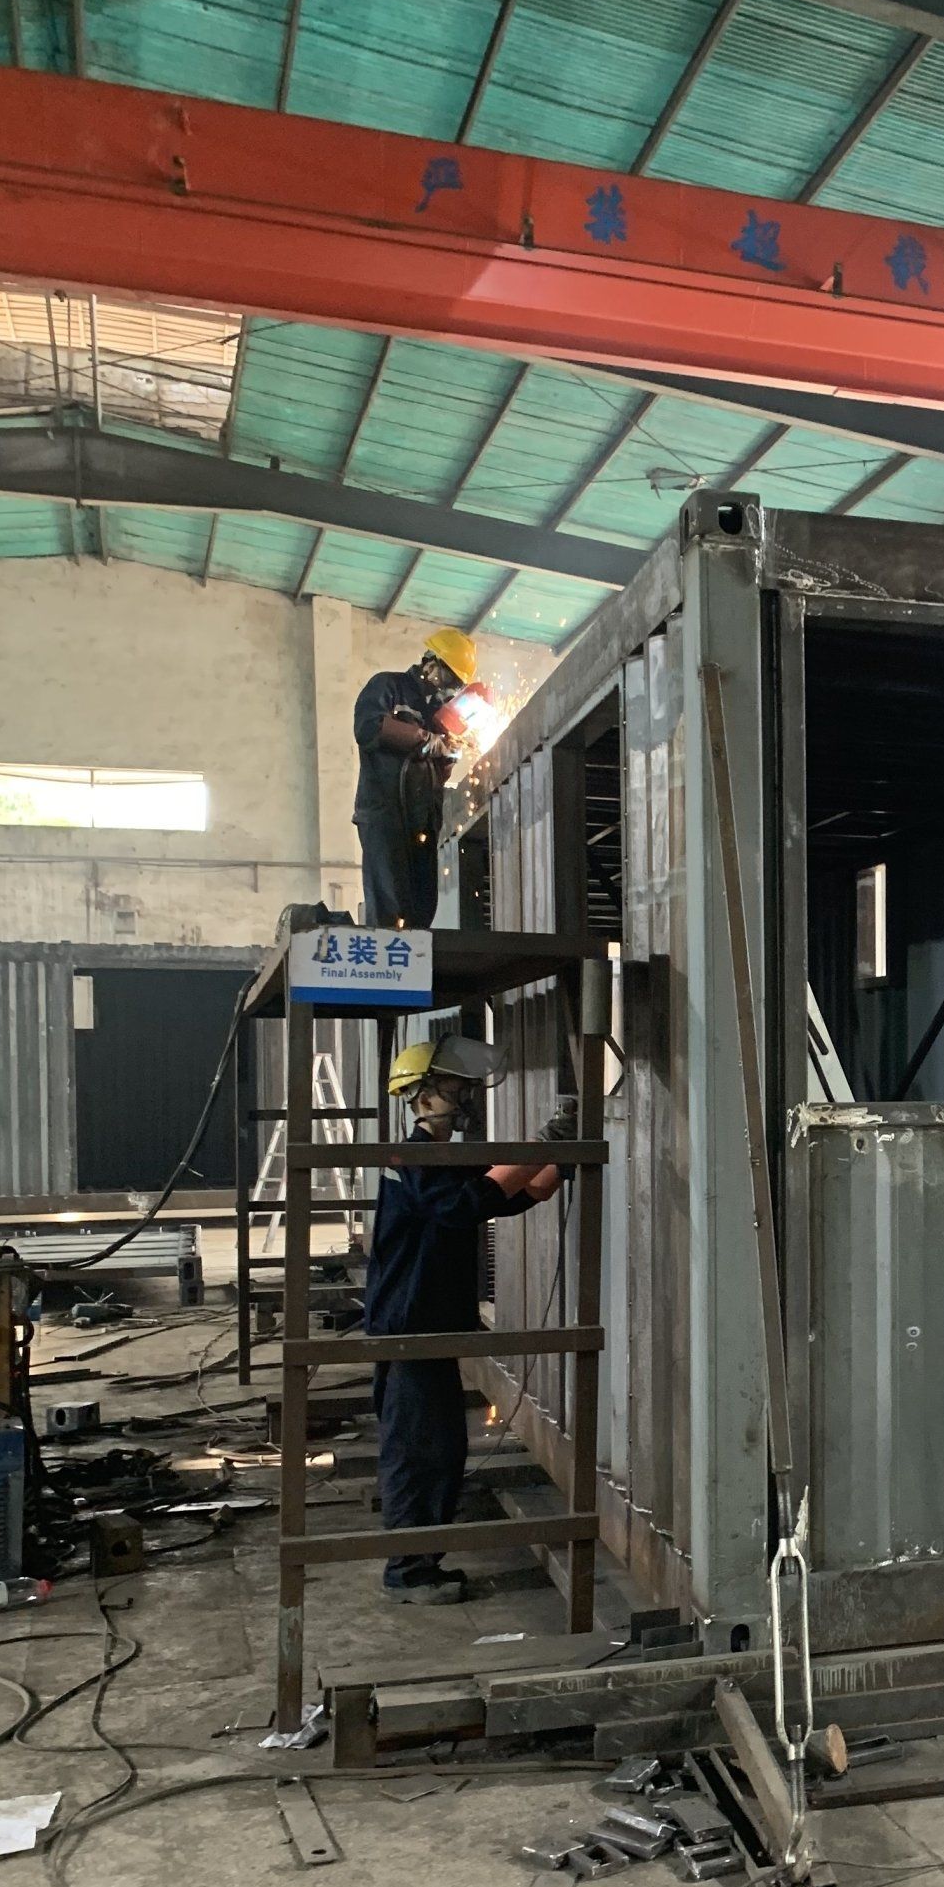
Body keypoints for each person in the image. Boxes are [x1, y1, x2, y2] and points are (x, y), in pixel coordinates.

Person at [367, 1034, 577, 1603]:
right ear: (421, 1096)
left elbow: (512, 1196)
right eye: (454, 1089)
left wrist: (558, 1163)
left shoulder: (448, 1159)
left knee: (439, 1449)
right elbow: (467, 1205)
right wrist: (541, 1145)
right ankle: (408, 1572)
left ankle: (418, 1562)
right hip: (407, 1328)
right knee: (418, 1450)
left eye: (465, 1089)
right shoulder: (410, 1158)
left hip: (430, 1327)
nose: (465, 1099)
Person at [352, 627, 479, 930]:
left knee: (422, 907)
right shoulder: (388, 686)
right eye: (448, 679)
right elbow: (368, 728)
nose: (449, 689)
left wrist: (449, 754)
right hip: (384, 814)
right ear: (430, 663)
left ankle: (416, 954)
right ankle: (389, 956)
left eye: (456, 685)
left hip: (422, 821)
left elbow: (438, 775)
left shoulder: (440, 714)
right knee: (390, 906)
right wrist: (424, 739)